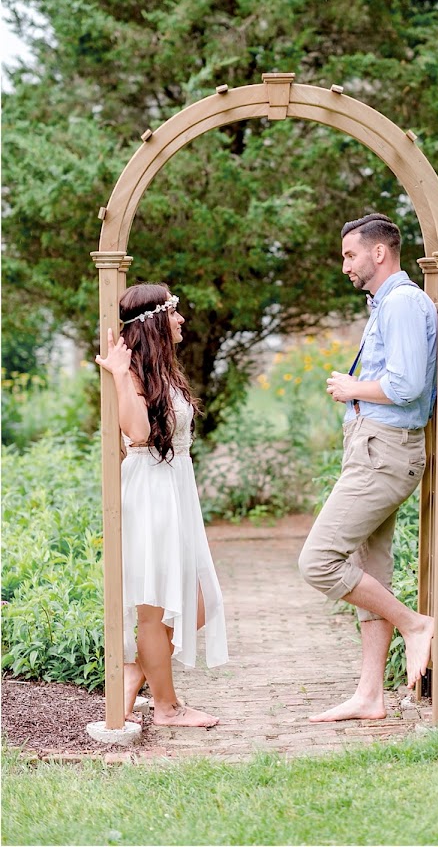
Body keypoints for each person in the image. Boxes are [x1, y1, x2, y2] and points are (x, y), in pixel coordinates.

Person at [298, 213, 437, 722]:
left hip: (385, 453)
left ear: (379, 253)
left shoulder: (401, 303)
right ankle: (370, 695)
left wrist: (351, 388)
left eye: (350, 256)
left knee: (318, 560)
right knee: (370, 570)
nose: (345, 267)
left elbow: (406, 385)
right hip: (376, 449)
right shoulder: (389, 304)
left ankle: (414, 625)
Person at [95, 283, 228, 728]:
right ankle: (167, 706)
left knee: (197, 600)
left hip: (174, 489)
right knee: (156, 603)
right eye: (174, 311)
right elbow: (136, 433)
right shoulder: (130, 371)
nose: (181, 319)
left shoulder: (162, 371)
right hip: (150, 490)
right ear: (153, 320)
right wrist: (118, 374)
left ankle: (139, 672)